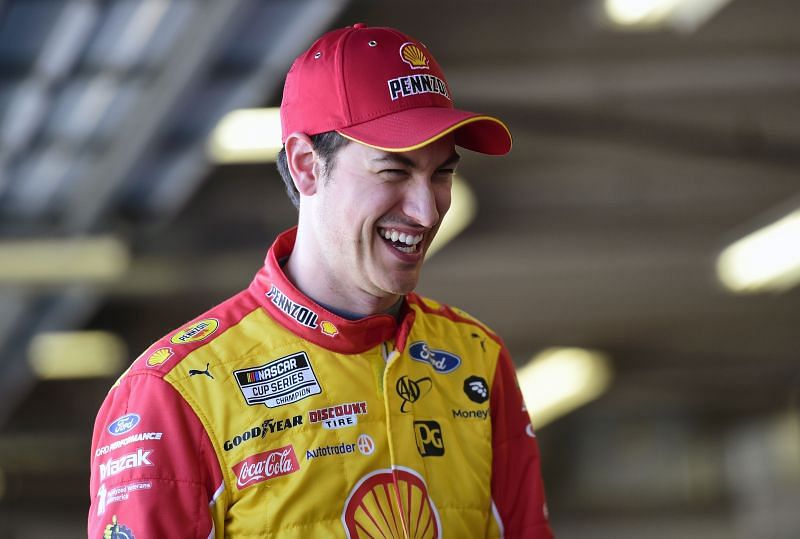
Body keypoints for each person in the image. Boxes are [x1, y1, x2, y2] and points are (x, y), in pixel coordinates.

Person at [88, 23, 554, 538]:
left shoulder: (477, 359)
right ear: (307, 166)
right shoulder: (171, 395)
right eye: (394, 172)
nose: (426, 211)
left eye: (441, 173)